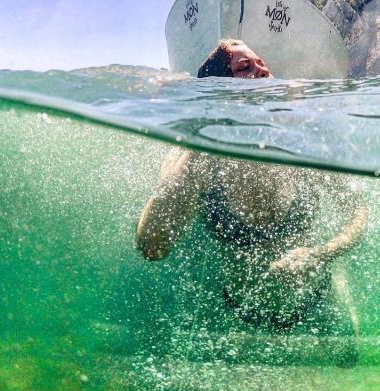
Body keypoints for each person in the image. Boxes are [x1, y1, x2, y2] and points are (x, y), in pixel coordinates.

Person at [136, 39, 368, 346]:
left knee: (348, 362)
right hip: (243, 310)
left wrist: (320, 255)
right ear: (217, 91)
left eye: (263, 66)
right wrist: (206, 140)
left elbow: (358, 211)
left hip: (319, 295)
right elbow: (152, 248)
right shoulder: (197, 157)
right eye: (245, 68)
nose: (261, 73)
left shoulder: (301, 142)